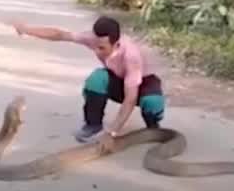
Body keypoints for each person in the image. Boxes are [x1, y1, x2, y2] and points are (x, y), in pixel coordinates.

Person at [11, 16, 166, 151]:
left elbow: (130, 98)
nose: (97, 52)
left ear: (116, 45)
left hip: (144, 83)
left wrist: (111, 133)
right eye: (95, 46)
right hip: (119, 80)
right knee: (96, 80)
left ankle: (152, 130)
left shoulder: (131, 56)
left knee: (152, 103)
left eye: (102, 48)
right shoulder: (94, 39)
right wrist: (27, 29)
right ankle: (93, 124)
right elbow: (60, 34)